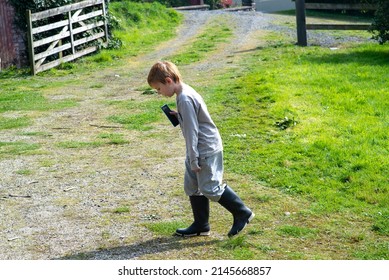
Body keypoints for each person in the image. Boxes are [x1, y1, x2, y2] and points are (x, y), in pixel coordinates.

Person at [147, 61, 254, 237]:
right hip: (198, 148)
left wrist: (194, 158)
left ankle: (242, 212)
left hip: (204, 148)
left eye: (158, 89)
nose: (159, 93)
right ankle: (201, 225)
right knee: (192, 185)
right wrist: (180, 116)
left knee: (210, 187)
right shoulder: (183, 91)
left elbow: (192, 132)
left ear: (168, 81)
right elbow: (193, 120)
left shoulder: (184, 98)